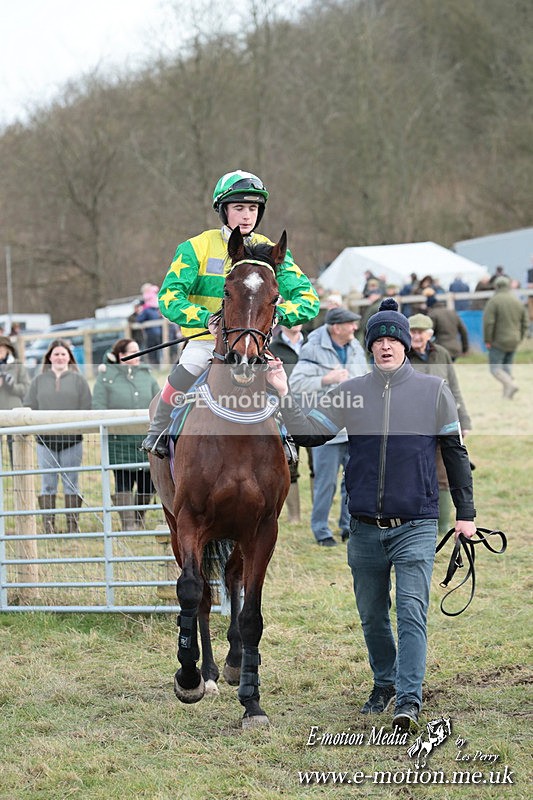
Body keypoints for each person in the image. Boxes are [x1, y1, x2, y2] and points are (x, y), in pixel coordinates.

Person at [267, 298, 476, 731]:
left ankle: (408, 699)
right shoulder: (350, 392)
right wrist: (284, 394)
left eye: (392, 339)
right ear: (369, 347)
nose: (385, 346)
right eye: (377, 339)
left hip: (415, 523)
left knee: (411, 611)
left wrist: (465, 514)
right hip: (362, 526)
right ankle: (384, 683)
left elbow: (455, 455)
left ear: (405, 346)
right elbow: (310, 434)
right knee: (372, 615)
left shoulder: (432, 391)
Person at [141, 169, 320, 457]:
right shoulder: (195, 248)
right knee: (184, 374)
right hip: (206, 343)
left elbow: (309, 300)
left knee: (277, 383)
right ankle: (159, 429)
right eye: (239, 208)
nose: (247, 215)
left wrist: (278, 315)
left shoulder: (272, 252)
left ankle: (285, 439)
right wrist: (205, 319)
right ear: (223, 211)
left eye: (252, 208)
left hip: (254, 344)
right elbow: (169, 297)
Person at [289, 307, 368, 546]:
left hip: (355, 427)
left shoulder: (355, 347)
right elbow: (297, 382)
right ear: (336, 327)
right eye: (350, 324)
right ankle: (321, 531)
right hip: (327, 429)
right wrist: (326, 379)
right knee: (326, 483)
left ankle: (347, 526)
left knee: (353, 480)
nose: (355, 328)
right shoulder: (313, 348)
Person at [407, 314, 472, 534]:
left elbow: (454, 389)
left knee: (443, 475)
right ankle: (415, 523)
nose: (416, 336)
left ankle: (442, 526)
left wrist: (464, 420)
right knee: (415, 474)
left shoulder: (442, 354)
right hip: (412, 427)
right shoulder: (402, 356)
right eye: (412, 331)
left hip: (441, 423)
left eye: (420, 331)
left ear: (430, 334)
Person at [24, 340, 92, 533]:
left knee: (71, 483)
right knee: (48, 485)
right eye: (56, 354)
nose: (60, 357)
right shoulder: (39, 380)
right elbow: (29, 404)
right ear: (49, 358)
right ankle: (48, 526)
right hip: (45, 442)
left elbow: (86, 407)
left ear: (69, 357)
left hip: (72, 442)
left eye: (63, 354)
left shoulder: (79, 380)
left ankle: (72, 526)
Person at [92, 338, 161, 529]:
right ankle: (128, 524)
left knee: (148, 483)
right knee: (124, 482)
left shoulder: (146, 375)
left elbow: (159, 401)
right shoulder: (106, 377)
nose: (138, 355)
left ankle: (139, 518)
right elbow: (98, 405)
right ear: (122, 356)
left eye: (139, 351)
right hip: (119, 440)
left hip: (144, 438)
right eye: (133, 351)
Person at [269, 323, 310, 523]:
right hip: (286, 409)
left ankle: (318, 512)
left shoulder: (311, 343)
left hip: (314, 408)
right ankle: (295, 516)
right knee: (291, 461)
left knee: (318, 463)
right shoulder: (272, 348)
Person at [483, 276, 528, 398]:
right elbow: (525, 322)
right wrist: (521, 337)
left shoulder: (494, 301)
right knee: (507, 368)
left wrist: (488, 339)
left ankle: (511, 385)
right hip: (514, 339)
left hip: (499, 340)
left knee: (495, 368)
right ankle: (507, 396)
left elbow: (488, 323)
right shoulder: (517, 301)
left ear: (496, 286)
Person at [0, 335, 30, 466]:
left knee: (16, 453)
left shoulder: (18, 366)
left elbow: (25, 389)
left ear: (8, 349)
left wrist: (11, 385)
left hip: (14, 415)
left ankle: (18, 480)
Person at [425, 295, 469, 361]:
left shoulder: (432, 314)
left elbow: (428, 333)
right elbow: (464, 332)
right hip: (455, 349)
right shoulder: (453, 313)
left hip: (440, 348)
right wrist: (465, 348)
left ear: (429, 306)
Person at [136, 285, 163, 365]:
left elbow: (139, 319)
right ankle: (160, 365)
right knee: (159, 351)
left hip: (151, 333)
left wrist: (139, 313)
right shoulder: (156, 309)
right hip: (159, 332)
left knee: (152, 352)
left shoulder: (147, 310)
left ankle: (154, 366)